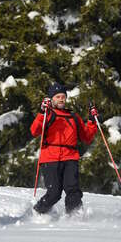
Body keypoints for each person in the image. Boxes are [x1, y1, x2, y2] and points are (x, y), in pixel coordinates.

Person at [31, 82, 99, 215]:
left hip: (70, 157)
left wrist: (92, 121)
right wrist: (41, 113)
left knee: (73, 189)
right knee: (54, 193)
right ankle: (38, 212)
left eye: (63, 96)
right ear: (51, 99)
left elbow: (86, 137)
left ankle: (74, 216)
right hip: (50, 158)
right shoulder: (47, 115)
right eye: (57, 97)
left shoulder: (73, 117)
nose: (61, 99)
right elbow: (34, 131)